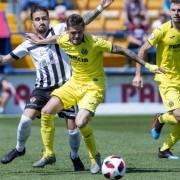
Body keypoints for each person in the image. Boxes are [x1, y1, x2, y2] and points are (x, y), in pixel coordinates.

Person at [27, 13, 164, 173]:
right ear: (67, 31)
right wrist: (39, 41)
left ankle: (94, 157)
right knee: (46, 111)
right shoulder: (64, 38)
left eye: (79, 32)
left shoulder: (95, 42)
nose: (76, 36)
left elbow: (123, 50)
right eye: (72, 33)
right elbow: (55, 38)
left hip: (93, 86)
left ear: (84, 29)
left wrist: (148, 66)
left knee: (80, 122)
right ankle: (49, 153)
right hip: (74, 84)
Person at [0, 0, 114, 170]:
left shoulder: (61, 30)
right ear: (32, 22)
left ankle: (74, 156)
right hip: (42, 89)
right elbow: (4, 59)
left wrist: (99, 8)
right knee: (24, 120)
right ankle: (19, 149)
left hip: (66, 85)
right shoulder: (28, 43)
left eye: (44, 18)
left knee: (73, 128)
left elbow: (83, 21)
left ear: (49, 19)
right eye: (37, 19)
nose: (41, 22)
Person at [132, 0, 180, 159]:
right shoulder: (162, 30)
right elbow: (142, 49)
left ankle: (165, 150)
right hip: (166, 78)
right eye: (174, 10)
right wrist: (138, 74)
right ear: (169, 12)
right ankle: (161, 118)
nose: (177, 13)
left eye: (179, 10)